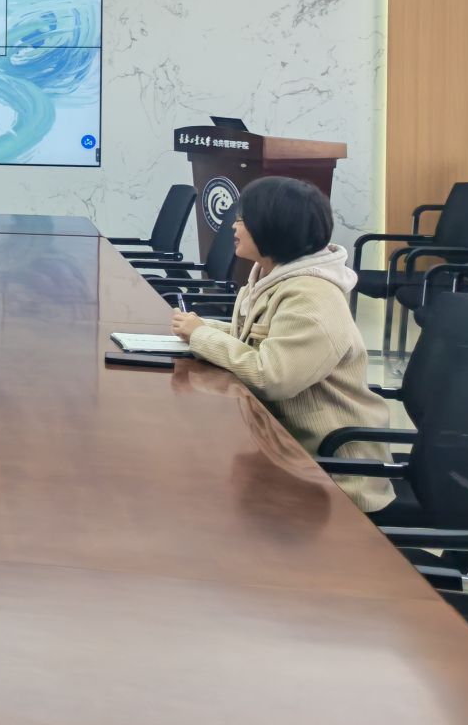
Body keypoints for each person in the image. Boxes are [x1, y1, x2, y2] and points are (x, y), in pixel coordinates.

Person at [168, 176, 393, 514]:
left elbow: (272, 377)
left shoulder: (312, 298)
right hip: (284, 447)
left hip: (332, 473)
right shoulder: (270, 276)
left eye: (243, 219)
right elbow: (256, 339)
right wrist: (200, 328)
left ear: (273, 226)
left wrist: (201, 336)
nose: (233, 226)